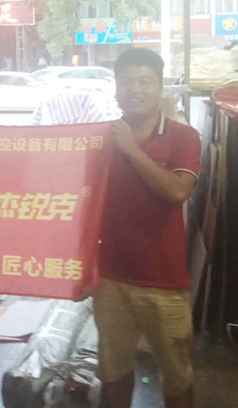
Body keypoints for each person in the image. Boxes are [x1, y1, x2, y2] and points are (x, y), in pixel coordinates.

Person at [95, 48, 202, 408]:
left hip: (164, 282)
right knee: (112, 371)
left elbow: (177, 191)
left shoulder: (184, 137)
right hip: (109, 278)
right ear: (116, 87)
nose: (135, 89)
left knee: (176, 375)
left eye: (145, 81)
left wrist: (130, 150)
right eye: (126, 81)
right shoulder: (100, 139)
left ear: (160, 88)